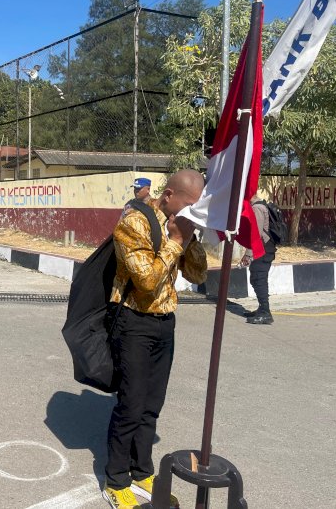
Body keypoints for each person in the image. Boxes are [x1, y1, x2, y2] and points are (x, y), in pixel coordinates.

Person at [103, 169, 207, 509]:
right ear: (168, 196)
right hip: (133, 321)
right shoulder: (134, 222)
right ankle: (116, 479)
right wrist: (176, 242)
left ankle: (141, 470)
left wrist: (188, 240)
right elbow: (146, 281)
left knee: (151, 406)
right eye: (189, 205)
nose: (193, 212)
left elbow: (197, 274)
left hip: (165, 323)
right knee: (131, 404)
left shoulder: (180, 227)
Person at [240, 194, 276, 325]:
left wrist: (248, 254)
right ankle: (262, 308)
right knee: (257, 278)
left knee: (259, 279)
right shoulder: (261, 206)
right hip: (264, 250)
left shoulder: (257, 208)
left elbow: (257, 234)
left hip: (263, 250)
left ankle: (265, 313)